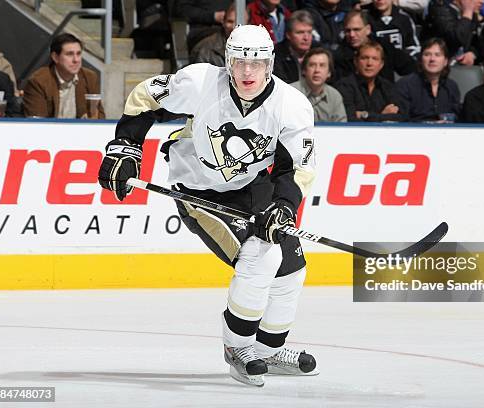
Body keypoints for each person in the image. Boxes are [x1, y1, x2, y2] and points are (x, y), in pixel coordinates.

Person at [97, 25, 318, 387]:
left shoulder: (292, 106)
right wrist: (126, 146)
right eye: (240, 62)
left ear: (270, 64)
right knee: (261, 257)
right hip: (199, 191)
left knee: (291, 269)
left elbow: (297, 166)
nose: (248, 72)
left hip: (252, 186)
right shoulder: (199, 83)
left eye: (257, 63)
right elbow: (145, 96)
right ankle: (238, 347)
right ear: (227, 61)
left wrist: (282, 206)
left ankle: (267, 349)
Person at [23, 33, 105, 119]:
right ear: (55, 57)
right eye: (70, 54)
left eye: (78, 54)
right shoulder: (38, 81)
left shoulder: (90, 77)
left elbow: (100, 117)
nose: (76, 60)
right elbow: (37, 122)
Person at [332, 10, 415, 82]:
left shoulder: (384, 46)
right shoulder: (339, 56)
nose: (352, 35)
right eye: (347, 31)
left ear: (368, 29)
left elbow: (409, 67)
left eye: (357, 29)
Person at [394, 38, 461, 122]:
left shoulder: (452, 86)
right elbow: (400, 121)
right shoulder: (405, 85)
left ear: (445, 62)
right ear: (421, 60)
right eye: (427, 54)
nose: (432, 59)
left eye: (437, 55)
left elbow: (456, 118)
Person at [335, 40, 402, 121]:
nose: (369, 63)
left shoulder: (388, 87)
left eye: (375, 59)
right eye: (364, 58)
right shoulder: (344, 86)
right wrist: (382, 116)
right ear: (356, 62)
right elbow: (350, 119)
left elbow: (399, 117)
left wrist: (365, 115)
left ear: (381, 64)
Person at [422, 0, 484, 66]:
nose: (482, 1)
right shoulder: (440, 8)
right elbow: (456, 38)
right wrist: (467, 13)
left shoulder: (472, 15)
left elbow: (477, 42)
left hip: (461, 67)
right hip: (438, 64)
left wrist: (472, 53)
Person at [292, 47, 347, 121]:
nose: (317, 70)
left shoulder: (335, 96)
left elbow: (341, 128)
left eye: (322, 65)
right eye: (312, 65)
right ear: (304, 70)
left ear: (329, 73)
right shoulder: (291, 92)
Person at [273, 10, 315, 83]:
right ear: (288, 35)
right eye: (300, 32)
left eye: (309, 32)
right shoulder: (276, 55)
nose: (306, 38)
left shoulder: (319, 52)